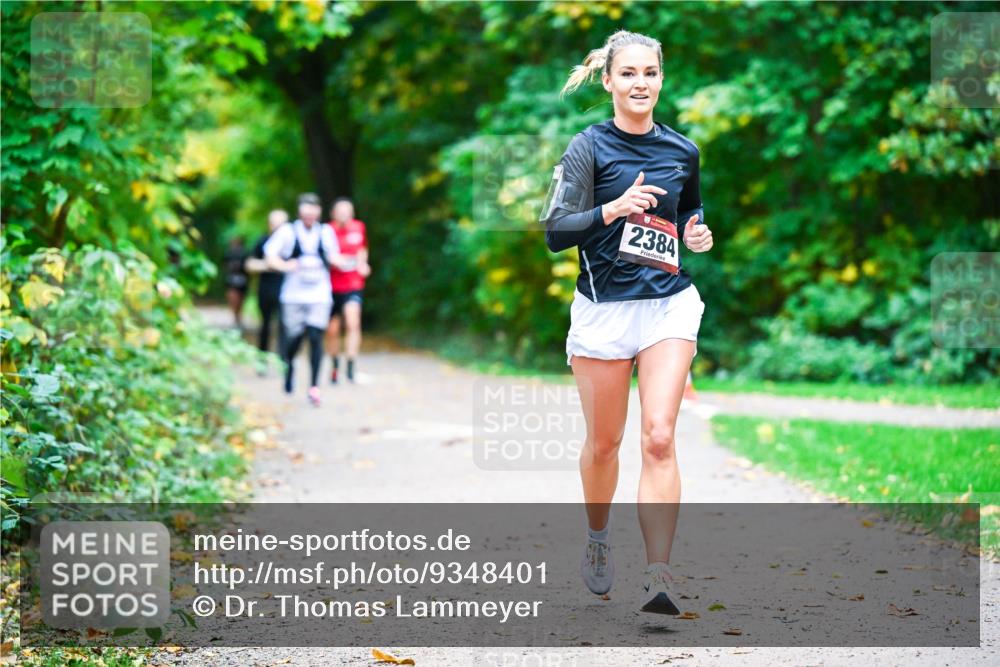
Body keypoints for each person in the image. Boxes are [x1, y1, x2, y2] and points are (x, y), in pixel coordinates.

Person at [541, 30, 715, 615]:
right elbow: (554, 232)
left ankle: (659, 574)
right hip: (603, 311)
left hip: (668, 304)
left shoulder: (683, 150)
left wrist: (695, 232)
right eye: (629, 73)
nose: (641, 83)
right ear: (609, 80)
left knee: (659, 437)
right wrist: (611, 209)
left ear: (661, 78)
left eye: (650, 73)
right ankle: (597, 537)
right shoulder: (587, 147)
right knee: (605, 444)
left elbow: (688, 211)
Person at [264, 193, 346, 407]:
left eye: (313, 209)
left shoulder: (325, 232)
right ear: (300, 211)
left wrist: (346, 262)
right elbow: (270, 255)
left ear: (319, 211)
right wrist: (285, 266)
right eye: (306, 210)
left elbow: (334, 255)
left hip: (319, 295)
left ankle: (314, 386)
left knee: (315, 335)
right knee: (295, 337)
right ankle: (289, 364)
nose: (310, 214)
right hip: (293, 296)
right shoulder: (288, 231)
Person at [325, 197, 371, 384]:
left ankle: (351, 367)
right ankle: (335, 366)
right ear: (333, 214)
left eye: (347, 211)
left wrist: (363, 264)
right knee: (332, 330)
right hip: (331, 286)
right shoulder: (327, 231)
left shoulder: (359, 227)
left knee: (353, 323)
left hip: (353, 284)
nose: (344, 215)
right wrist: (335, 260)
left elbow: (362, 249)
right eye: (340, 211)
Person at [246, 209, 288, 355]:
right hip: (266, 289)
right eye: (273, 223)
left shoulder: (291, 243)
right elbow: (249, 264)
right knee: (265, 324)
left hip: (286, 290)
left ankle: (283, 358)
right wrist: (270, 264)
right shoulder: (262, 241)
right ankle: (262, 356)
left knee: (284, 324)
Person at [223, 237, 250, 330]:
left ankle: (238, 317)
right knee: (233, 298)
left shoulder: (244, 253)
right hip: (232, 280)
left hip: (242, 280)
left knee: (240, 300)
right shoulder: (229, 253)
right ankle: (236, 317)